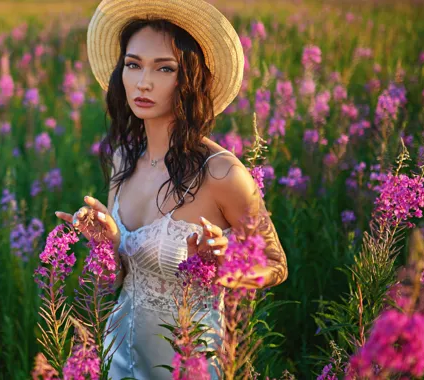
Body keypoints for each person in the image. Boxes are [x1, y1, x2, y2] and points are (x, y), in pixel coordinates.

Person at [54, 0, 289, 378]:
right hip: (118, 357)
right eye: (133, 65)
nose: (143, 82)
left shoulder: (222, 172)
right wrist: (110, 243)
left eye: (164, 68)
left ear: (190, 79)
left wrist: (225, 266)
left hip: (187, 361)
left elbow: (276, 265)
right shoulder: (122, 160)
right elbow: (125, 277)